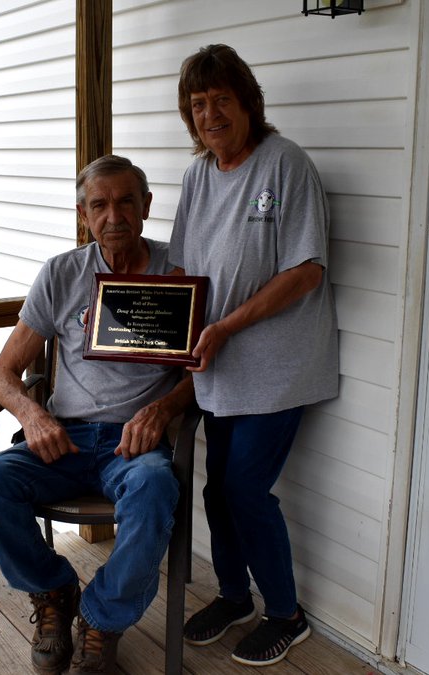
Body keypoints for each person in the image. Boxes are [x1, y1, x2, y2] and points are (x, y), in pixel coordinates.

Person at [0, 154, 195, 675]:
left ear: (146, 206)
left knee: (157, 489)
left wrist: (162, 408)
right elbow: (1, 374)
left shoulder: (178, 272)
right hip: (62, 439)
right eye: (99, 205)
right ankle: (53, 594)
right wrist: (31, 415)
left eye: (126, 202)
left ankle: (100, 619)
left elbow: (204, 374)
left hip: (133, 445)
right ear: (83, 214)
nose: (114, 215)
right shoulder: (63, 273)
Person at [169, 44, 340, 667]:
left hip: (277, 363)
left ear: (246, 103)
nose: (209, 114)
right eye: (197, 105)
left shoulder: (285, 165)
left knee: (243, 490)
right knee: (217, 493)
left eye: (220, 101)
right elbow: (185, 264)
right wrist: (177, 329)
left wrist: (225, 326)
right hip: (219, 364)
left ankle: (287, 614)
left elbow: (306, 272)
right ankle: (236, 596)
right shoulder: (197, 175)